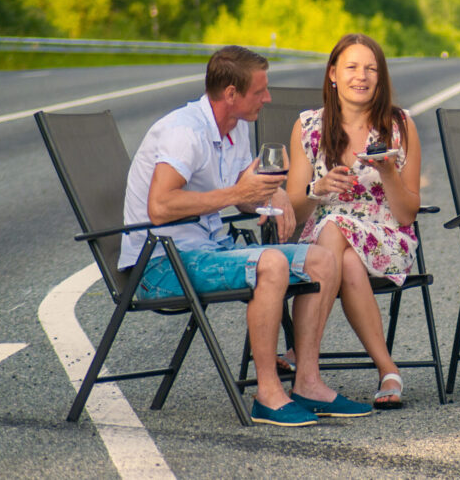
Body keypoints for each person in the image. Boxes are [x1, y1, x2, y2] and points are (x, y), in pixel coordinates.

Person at [120, 45, 372, 427]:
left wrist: (276, 194)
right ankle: (268, 394)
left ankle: (307, 383)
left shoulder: (234, 129)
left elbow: (244, 196)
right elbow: (160, 206)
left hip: (207, 250)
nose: (267, 99)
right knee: (269, 262)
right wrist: (240, 195)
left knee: (321, 259)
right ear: (231, 94)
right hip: (160, 265)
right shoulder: (183, 132)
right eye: (260, 91)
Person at [285, 34, 421, 409]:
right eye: (352, 67)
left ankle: (302, 360)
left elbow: (408, 214)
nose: (362, 76)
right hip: (325, 241)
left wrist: (388, 173)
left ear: (381, 78)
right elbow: (292, 213)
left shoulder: (399, 125)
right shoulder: (308, 127)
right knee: (341, 253)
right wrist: (318, 187)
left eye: (371, 69)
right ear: (333, 74)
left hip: (387, 236)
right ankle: (387, 369)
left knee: (335, 230)